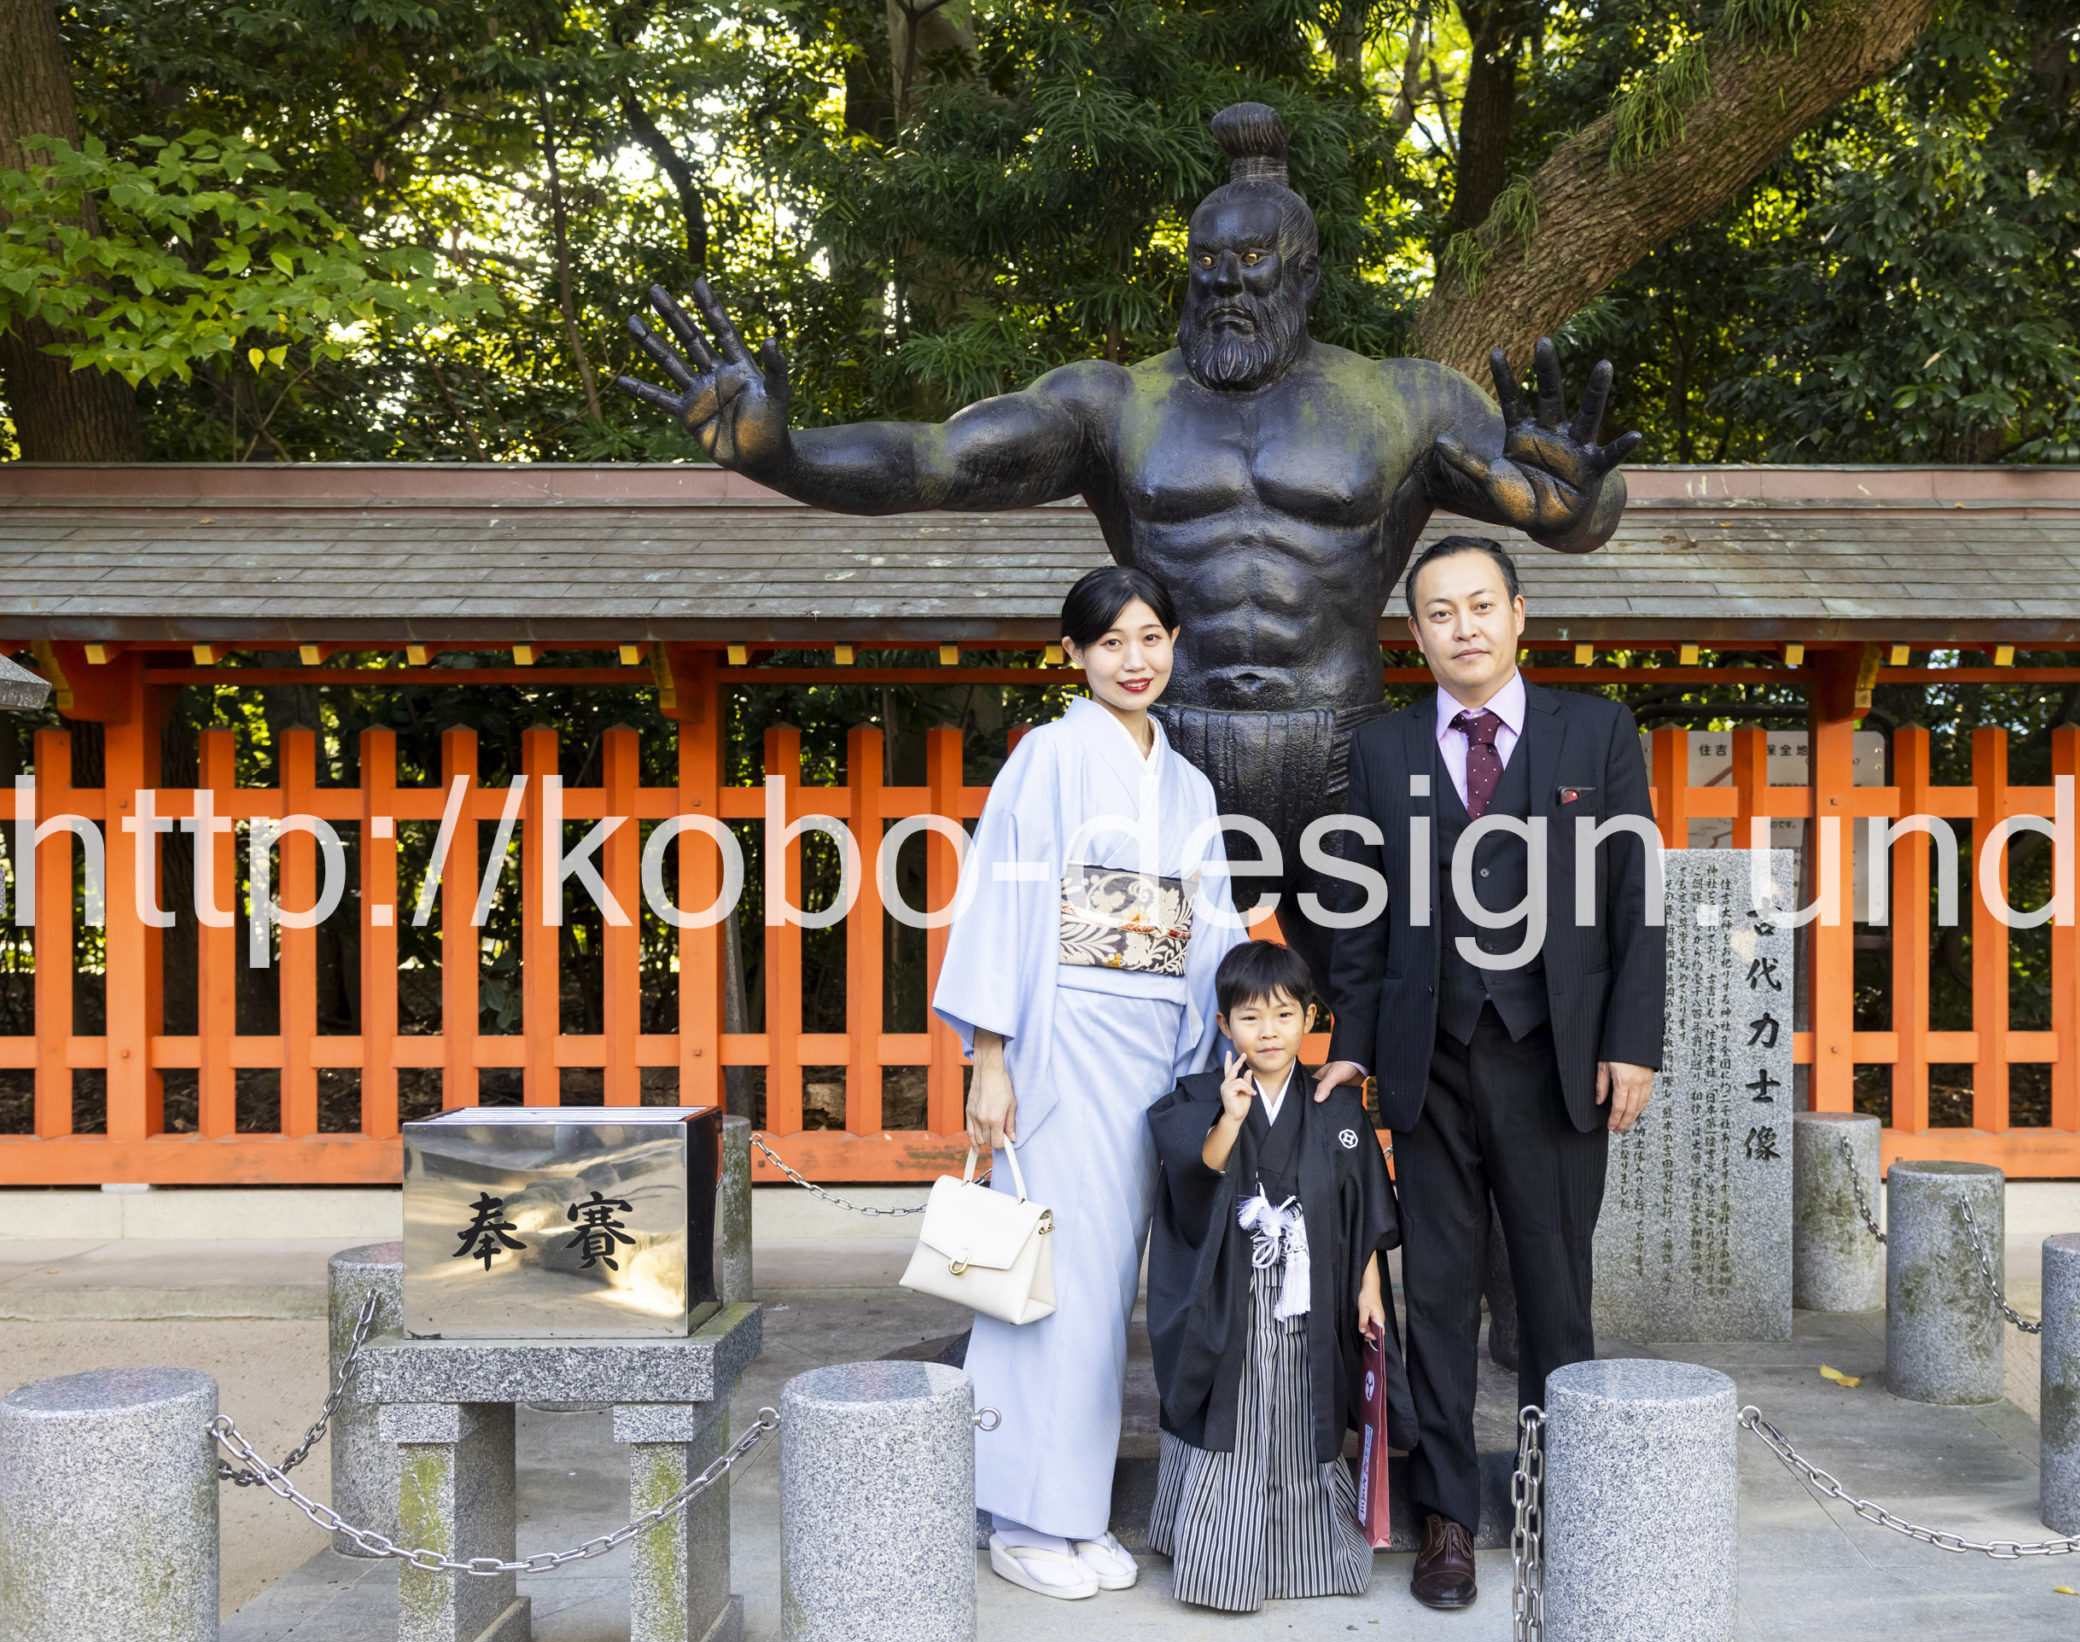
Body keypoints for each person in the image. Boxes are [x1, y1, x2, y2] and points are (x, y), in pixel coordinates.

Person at [618, 101, 1639, 999]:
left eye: (1252, 263)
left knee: (1402, 999)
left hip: (1345, 750)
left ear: (1305, 273)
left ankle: (1403, 1164)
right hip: (1166, 752)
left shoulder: (1403, 401)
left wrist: (1578, 504)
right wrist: (786, 457)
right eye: (1207, 265)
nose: (1226, 285)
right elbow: (936, 459)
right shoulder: (1115, 403)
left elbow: (1571, 508)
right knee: (1128, 989)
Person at [1316, 535, 1667, 1610]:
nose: (1462, 627)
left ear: (1518, 613)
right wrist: (1350, 1048)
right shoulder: (1381, 750)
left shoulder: (1595, 731)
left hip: (1556, 1055)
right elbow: (1360, 919)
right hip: (1427, 1061)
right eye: (1440, 611)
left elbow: (1635, 897)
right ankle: (1448, 1519)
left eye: (1480, 605)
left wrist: (1633, 1041)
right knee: (1434, 1294)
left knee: (1555, 1288)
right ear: (1414, 634)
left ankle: (1570, 1497)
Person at [929, 562, 1248, 1601]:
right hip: (1062, 1042)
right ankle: (1026, 1517)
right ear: (1073, 654)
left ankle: (1070, 1508)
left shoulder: (1188, 784)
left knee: (1112, 1287)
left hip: (1158, 1048)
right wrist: (990, 1056)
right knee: (1050, 1284)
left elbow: (1212, 928)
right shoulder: (1048, 756)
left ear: (1174, 643)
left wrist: (1232, 1041)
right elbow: (1001, 899)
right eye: (1111, 641)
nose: (1134, 659)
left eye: (1151, 636)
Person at [1143, 939, 1401, 1612]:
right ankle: (1222, 1563)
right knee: (1235, 1415)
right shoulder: (1202, 1096)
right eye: (1250, 1017)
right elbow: (1195, 1180)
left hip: (1313, 1293)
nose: (1268, 1031)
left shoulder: (1335, 1105)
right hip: (1234, 1293)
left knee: (1298, 1413)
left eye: (1284, 1014)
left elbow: (1361, 1206)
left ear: (1310, 1018)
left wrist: (1369, 1286)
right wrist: (1230, 1118)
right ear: (1224, 1023)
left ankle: (1308, 1556)